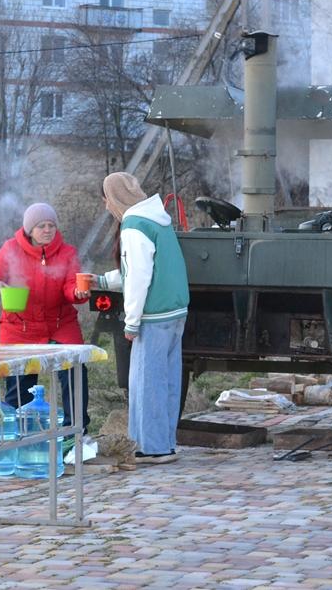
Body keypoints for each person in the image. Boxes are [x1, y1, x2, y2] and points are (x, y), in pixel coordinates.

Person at [97, 172, 189, 464]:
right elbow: (143, 269)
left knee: (146, 383)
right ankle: (165, 443)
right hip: (175, 312)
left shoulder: (134, 226)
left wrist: (131, 321)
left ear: (116, 198)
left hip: (153, 314)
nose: (106, 204)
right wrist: (101, 279)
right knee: (167, 382)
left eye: (107, 197)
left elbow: (138, 278)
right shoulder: (157, 220)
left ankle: (151, 448)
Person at [0, 202, 91, 433]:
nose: (48, 230)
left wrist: (77, 293)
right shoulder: (11, 249)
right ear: (30, 229)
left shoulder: (67, 252)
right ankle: (18, 432)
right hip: (20, 327)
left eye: (51, 225)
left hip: (60, 325)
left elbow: (71, 284)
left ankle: (76, 430)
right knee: (19, 383)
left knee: (75, 371)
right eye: (42, 226)